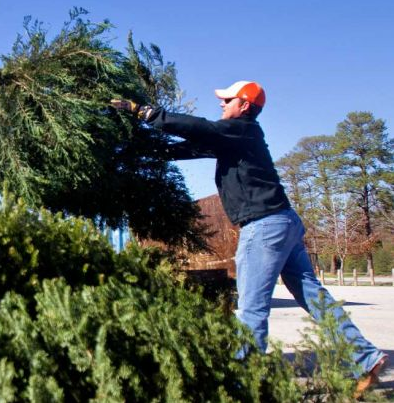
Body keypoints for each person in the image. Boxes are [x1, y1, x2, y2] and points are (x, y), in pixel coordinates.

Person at [111, 81, 388, 397]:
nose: (221, 104)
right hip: (285, 222)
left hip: (265, 227)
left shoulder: (241, 129)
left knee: (251, 309)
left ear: (243, 105)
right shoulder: (235, 137)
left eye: (227, 99)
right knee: (314, 297)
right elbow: (190, 146)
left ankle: (244, 385)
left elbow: (199, 128)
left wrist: (143, 112)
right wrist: (141, 149)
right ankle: (366, 358)